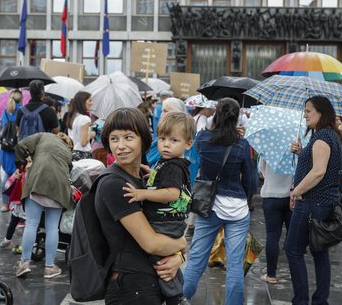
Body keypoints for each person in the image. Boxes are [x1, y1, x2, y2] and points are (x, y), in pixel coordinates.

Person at [98, 107, 187, 304]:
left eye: (128, 137)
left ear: (143, 140)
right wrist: (182, 245)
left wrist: (178, 257)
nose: (120, 146)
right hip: (131, 288)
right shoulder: (115, 184)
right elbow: (152, 243)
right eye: (114, 139)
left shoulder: (141, 178)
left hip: (147, 282)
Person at [183, 98, 259, 305]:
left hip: (209, 206)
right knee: (235, 265)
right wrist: (242, 194)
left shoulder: (202, 138)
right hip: (237, 208)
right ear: (236, 118)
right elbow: (252, 182)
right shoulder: (242, 145)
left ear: (216, 114)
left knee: (197, 258)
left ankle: (181, 298)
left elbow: (196, 164)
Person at [123, 111, 195, 305]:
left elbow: (172, 193)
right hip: (170, 221)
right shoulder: (168, 164)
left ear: (188, 144)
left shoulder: (173, 166)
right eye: (162, 138)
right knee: (168, 257)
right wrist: (153, 173)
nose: (166, 144)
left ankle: (175, 298)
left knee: (161, 261)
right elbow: (165, 182)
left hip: (165, 223)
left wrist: (142, 194)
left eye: (173, 140)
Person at [284, 96, 342, 305]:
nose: (305, 114)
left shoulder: (322, 138)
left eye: (308, 111)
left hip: (312, 202)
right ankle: (320, 300)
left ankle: (301, 300)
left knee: (293, 249)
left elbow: (318, 172)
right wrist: (303, 152)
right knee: (319, 252)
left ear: (321, 112)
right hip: (319, 202)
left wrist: (295, 192)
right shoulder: (328, 136)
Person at [14, 132, 75, 279]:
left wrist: (25, 161)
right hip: (59, 187)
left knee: (31, 224)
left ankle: (24, 264)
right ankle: (49, 267)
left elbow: (21, 145)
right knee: (52, 227)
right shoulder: (67, 153)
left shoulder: (43, 136)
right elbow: (69, 170)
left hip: (37, 181)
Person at [258, 150, 293, 284]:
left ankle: (271, 274)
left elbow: (262, 172)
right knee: (292, 236)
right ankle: (295, 272)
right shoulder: (297, 149)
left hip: (271, 195)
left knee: (272, 235)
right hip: (291, 196)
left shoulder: (267, 149)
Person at [0, 90, 23, 211]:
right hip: (16, 148)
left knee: (6, 176)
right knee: (18, 177)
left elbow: (2, 128)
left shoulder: (5, 111)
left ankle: (5, 204)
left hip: (5, 149)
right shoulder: (22, 110)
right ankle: (15, 203)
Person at [65, 91, 95, 161]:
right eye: (90, 100)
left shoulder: (73, 117)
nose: (92, 103)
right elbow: (83, 143)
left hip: (72, 153)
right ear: (83, 102)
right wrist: (91, 135)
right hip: (83, 155)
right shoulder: (85, 119)